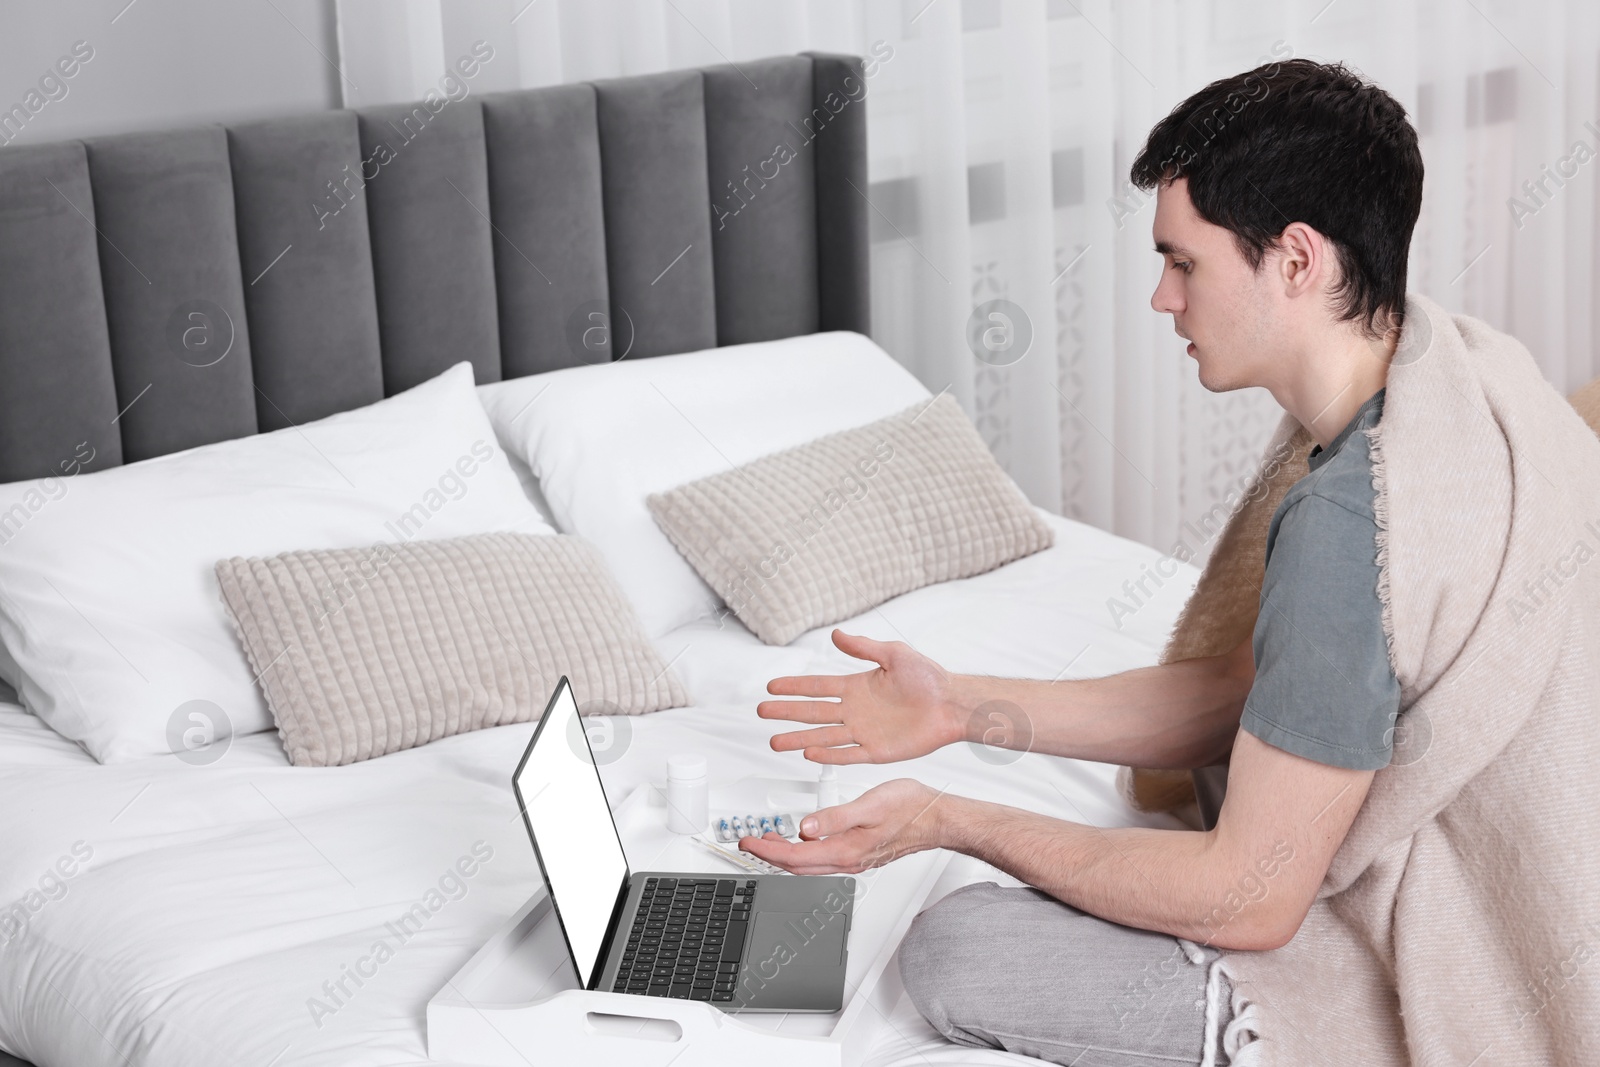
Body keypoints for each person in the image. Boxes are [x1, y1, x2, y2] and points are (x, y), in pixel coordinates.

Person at [738, 57, 1426, 1066]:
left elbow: (1250, 895)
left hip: (1386, 961)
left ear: (1296, 259)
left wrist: (947, 816)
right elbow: (1250, 694)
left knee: (955, 945)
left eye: (1183, 262)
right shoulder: (1414, 396)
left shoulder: (1345, 517)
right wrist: (960, 707)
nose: (1159, 297)